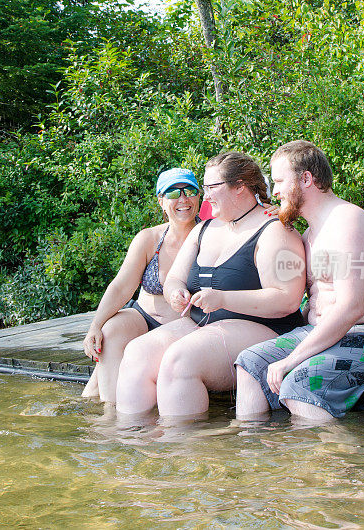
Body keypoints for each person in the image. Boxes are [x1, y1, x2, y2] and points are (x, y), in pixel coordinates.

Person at [235, 140, 364, 421]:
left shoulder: (347, 222)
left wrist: (291, 360)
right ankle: (257, 457)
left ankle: (334, 461)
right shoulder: (309, 234)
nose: (275, 192)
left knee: (299, 382)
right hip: (330, 334)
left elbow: (351, 307)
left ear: (306, 179)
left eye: (280, 181)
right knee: (251, 362)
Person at [114, 152, 306, 417]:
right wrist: (175, 293)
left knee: (180, 359)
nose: (204, 197)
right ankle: (135, 444)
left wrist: (224, 299)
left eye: (210, 188)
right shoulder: (204, 229)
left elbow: (287, 299)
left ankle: (186, 450)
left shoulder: (275, 230)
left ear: (239, 187)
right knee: (137, 352)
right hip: (200, 323)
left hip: (266, 329)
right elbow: (174, 279)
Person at [82, 168, 201, 403]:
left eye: (189, 191)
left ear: (199, 196)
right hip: (143, 317)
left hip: (186, 325)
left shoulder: (212, 234)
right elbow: (121, 286)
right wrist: (95, 326)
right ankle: (111, 409)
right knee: (110, 331)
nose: (183, 199)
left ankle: (115, 410)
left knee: (93, 388)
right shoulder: (149, 238)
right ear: (161, 201)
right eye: (173, 193)